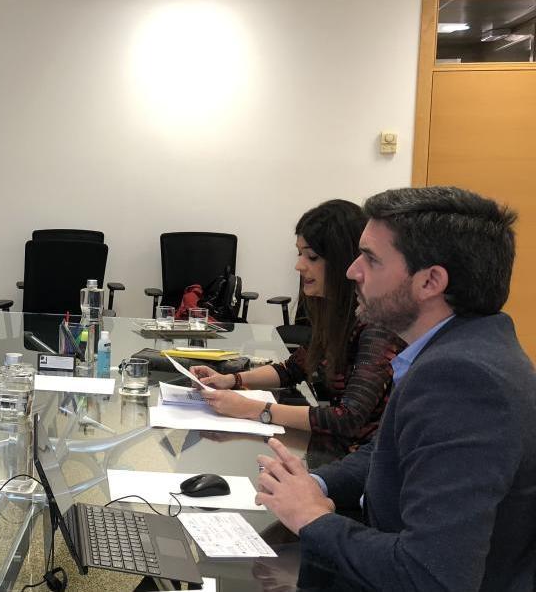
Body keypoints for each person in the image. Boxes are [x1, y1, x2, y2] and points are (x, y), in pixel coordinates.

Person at [254, 186, 536, 592]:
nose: (352, 270)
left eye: (370, 258)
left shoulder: (465, 380)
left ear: (430, 281)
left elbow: (430, 576)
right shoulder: (461, 348)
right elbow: (390, 450)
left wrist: (313, 519)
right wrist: (315, 485)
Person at [192, 199, 406, 454]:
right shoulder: (336, 316)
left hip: (362, 462)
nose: (299, 265)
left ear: (344, 261)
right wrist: (231, 380)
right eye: (299, 253)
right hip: (336, 451)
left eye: (312, 256)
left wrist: (252, 409)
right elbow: (294, 368)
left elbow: (347, 417)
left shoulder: (376, 326)